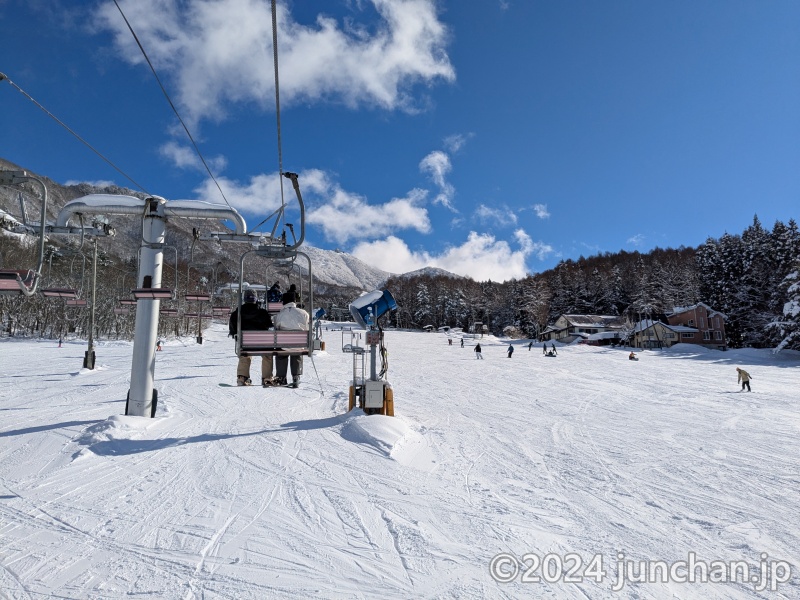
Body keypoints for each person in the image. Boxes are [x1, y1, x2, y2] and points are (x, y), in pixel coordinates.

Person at [229, 289, 273, 386]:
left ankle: (242, 377)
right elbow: (269, 325)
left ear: (244, 299)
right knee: (267, 355)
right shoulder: (262, 313)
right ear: (256, 299)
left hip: (245, 344)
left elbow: (233, 328)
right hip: (262, 345)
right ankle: (267, 378)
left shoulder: (237, 313)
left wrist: (235, 334)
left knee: (245, 355)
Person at [273, 289, 310, 387]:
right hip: (299, 344)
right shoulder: (304, 313)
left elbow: (276, 328)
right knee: (297, 353)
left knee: (281, 354)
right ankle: (296, 376)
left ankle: (281, 377)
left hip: (283, 346)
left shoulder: (279, 315)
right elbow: (307, 328)